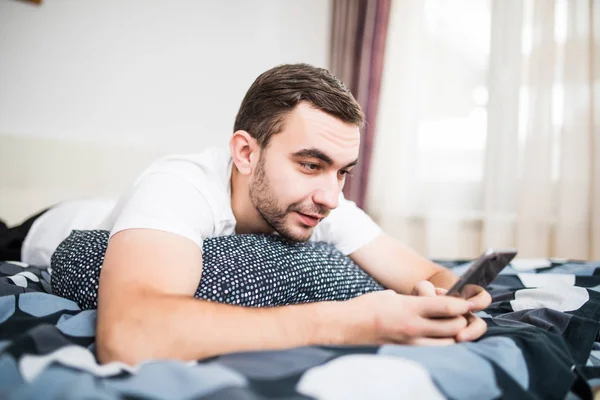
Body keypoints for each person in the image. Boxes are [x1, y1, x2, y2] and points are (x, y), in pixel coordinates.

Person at [15, 64, 492, 365]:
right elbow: (129, 335)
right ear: (245, 153)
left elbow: (422, 272)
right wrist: (350, 322)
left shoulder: (321, 201)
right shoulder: (179, 185)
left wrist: (456, 300)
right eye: (310, 164)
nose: (330, 195)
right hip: (48, 225)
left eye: (343, 172)